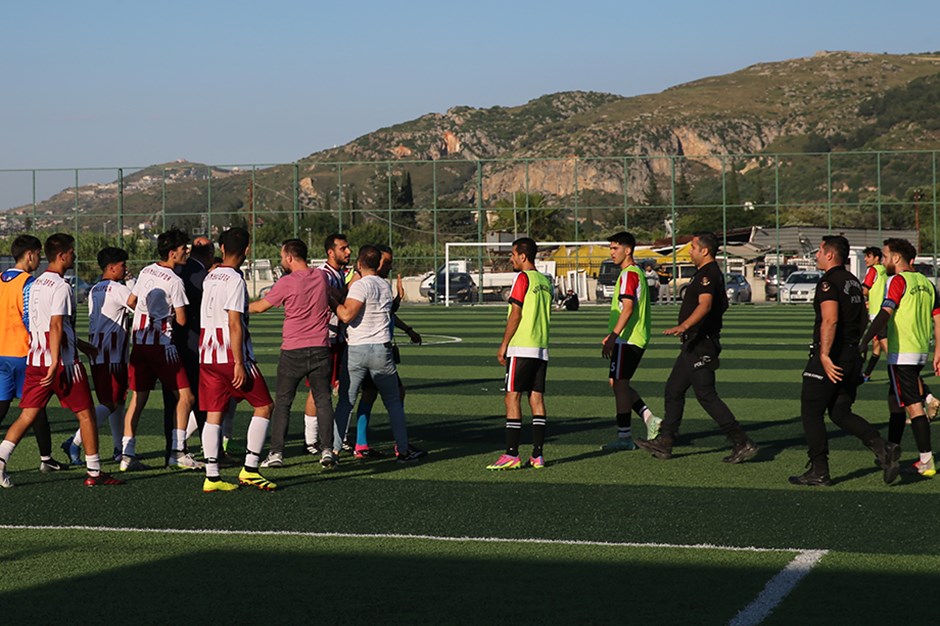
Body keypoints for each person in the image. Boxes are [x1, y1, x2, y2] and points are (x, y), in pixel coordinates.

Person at [0, 234, 123, 488]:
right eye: (72, 251)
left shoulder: (35, 284)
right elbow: (56, 325)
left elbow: (48, 325)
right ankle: (94, 472)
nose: (74, 256)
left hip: (36, 359)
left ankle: (0, 461)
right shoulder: (61, 286)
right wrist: (57, 361)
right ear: (62, 255)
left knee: (26, 416)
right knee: (86, 414)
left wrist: (80, 344)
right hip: (62, 364)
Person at [636, 231, 758, 463]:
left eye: (692, 247)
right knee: (673, 389)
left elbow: (706, 304)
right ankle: (666, 441)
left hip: (701, 344)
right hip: (693, 344)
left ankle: (741, 441)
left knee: (706, 395)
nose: (689, 251)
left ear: (704, 251)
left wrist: (685, 325)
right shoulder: (705, 273)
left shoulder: (709, 274)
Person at [789, 236, 901, 486]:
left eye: (819, 251)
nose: (816, 255)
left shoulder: (829, 282)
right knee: (840, 411)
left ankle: (819, 470)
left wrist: (825, 355)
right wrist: (856, 346)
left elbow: (830, 320)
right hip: (852, 354)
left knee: (811, 411)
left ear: (830, 255)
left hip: (833, 355)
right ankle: (883, 448)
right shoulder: (852, 281)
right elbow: (862, 318)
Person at [198, 227, 277, 492]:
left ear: (221, 249)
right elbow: (234, 322)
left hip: (207, 354)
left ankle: (212, 476)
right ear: (247, 251)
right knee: (264, 406)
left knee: (213, 413)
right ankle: (251, 469)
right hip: (228, 356)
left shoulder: (210, 277)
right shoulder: (235, 279)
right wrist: (239, 362)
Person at [331, 245, 426, 463]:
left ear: (359, 263)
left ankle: (334, 451)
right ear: (379, 263)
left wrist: (331, 300)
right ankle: (402, 450)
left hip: (357, 349)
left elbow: (346, 315)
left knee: (346, 401)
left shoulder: (360, 285)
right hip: (382, 350)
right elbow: (387, 312)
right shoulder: (384, 285)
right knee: (393, 403)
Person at [120, 228, 201, 471]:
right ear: (172, 253)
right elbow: (183, 320)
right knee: (186, 397)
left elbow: (131, 302)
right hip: (162, 346)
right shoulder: (175, 280)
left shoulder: (146, 270)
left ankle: (127, 454)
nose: (186, 251)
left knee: (138, 399)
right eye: (183, 248)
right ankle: (177, 452)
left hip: (140, 344)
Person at [859, 237, 940, 477]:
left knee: (914, 407)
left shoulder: (897, 280)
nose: (883, 262)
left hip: (902, 352)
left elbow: (885, 313)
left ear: (896, 258)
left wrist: (865, 339)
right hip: (918, 351)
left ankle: (925, 460)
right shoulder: (926, 283)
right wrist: (938, 351)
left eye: (884, 256)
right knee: (895, 402)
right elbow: (938, 318)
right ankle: (890, 452)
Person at [252, 238, 335, 469]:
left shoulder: (287, 282)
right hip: (320, 348)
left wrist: (232, 306)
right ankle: (327, 449)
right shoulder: (321, 276)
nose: (281, 260)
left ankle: (277, 452)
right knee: (323, 400)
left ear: (289, 257)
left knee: (284, 403)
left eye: (282, 256)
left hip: (293, 350)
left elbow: (260, 307)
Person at [0, 235, 66, 473]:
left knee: (2, 405)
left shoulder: (0, 279)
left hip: (1, 353)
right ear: (29, 254)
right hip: (22, 353)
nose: (39, 259)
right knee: (35, 407)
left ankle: (46, 458)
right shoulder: (29, 283)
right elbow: (32, 319)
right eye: (38, 254)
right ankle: (46, 459)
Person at [62, 246, 132, 464]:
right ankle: (74, 442)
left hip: (99, 353)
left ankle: (118, 448)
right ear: (111, 268)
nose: (125, 269)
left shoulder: (94, 289)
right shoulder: (117, 288)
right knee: (111, 403)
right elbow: (138, 305)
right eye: (122, 265)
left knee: (117, 402)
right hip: (113, 356)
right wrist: (132, 283)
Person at [488, 237, 553, 470]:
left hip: (522, 346)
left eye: (513, 254)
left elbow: (516, 313)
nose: (511, 258)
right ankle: (537, 455)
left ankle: (512, 454)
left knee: (512, 397)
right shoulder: (546, 281)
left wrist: (504, 344)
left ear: (523, 256)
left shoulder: (522, 278)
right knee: (536, 398)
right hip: (541, 347)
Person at [600, 231, 662, 452]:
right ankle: (649, 419)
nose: (612, 252)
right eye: (611, 248)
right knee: (618, 384)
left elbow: (628, 308)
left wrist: (613, 337)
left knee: (619, 384)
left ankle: (625, 437)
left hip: (628, 339)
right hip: (630, 338)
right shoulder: (633, 274)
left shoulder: (629, 274)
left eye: (615, 248)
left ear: (628, 250)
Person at [162, 235, 214, 455]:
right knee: (199, 399)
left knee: (171, 400)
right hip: (193, 344)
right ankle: (209, 449)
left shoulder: (163, 271)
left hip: (166, 344)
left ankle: (172, 448)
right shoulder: (200, 276)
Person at [303, 233, 352, 453]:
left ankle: (337, 436)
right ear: (330, 252)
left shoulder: (339, 274)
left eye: (348, 247)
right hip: (325, 339)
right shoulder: (324, 274)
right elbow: (331, 300)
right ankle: (311, 440)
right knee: (318, 389)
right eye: (343, 248)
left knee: (341, 388)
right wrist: (351, 287)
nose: (348, 252)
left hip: (338, 339)